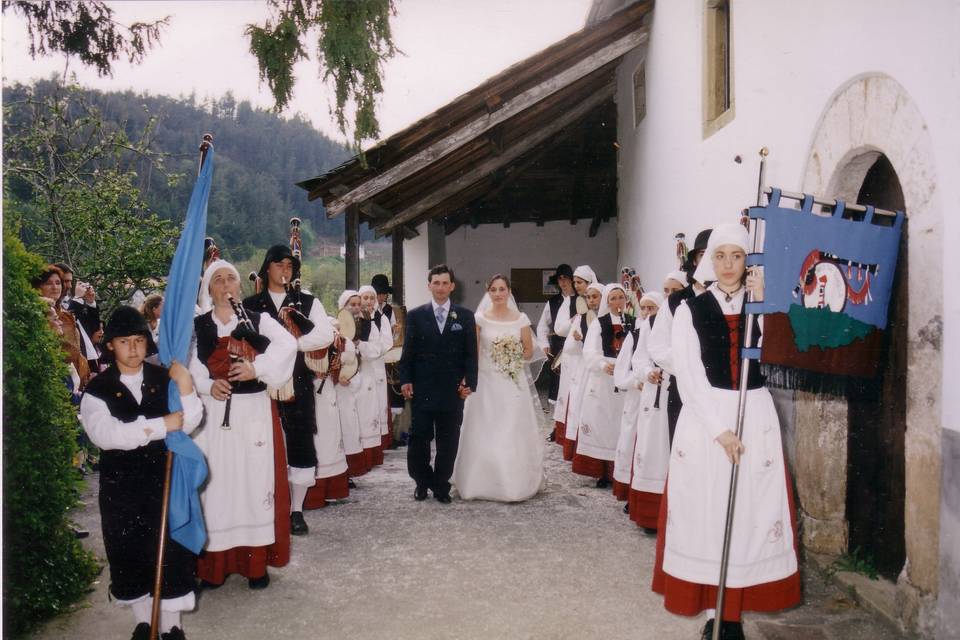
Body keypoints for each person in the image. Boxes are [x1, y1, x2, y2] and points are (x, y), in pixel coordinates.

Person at [653, 223, 800, 640]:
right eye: (720, 256)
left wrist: (763, 302)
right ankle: (713, 612)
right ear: (708, 261)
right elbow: (690, 376)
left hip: (753, 412)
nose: (729, 264)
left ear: (747, 261)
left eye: (737, 256)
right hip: (706, 418)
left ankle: (733, 616)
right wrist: (720, 430)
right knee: (710, 510)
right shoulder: (690, 308)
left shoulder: (762, 304)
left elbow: (780, 352)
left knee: (748, 512)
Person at [80, 306, 203, 640]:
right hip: (121, 489)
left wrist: (186, 385)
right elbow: (106, 435)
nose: (133, 348)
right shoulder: (97, 390)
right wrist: (159, 425)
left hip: (162, 483)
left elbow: (189, 420)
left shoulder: (163, 380)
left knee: (170, 551)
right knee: (130, 552)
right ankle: (143, 622)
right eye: (124, 341)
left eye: (138, 340)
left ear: (148, 344)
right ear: (110, 346)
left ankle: (171, 626)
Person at [188, 259, 297, 590]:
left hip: (252, 413)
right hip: (212, 413)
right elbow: (188, 363)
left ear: (240, 286)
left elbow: (288, 345)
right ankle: (213, 568)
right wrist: (207, 385)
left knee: (253, 482)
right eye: (217, 280)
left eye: (230, 279)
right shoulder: (198, 325)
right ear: (209, 289)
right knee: (216, 486)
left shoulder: (258, 319)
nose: (225, 285)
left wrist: (257, 368)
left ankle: (255, 566)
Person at [243, 244, 335, 535]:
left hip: (297, 383)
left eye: (290, 266)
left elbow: (325, 335)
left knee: (300, 443)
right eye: (279, 264)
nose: (285, 270)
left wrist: (291, 343)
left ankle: (296, 510)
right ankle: (263, 506)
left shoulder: (307, 302)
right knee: (262, 444)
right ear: (266, 267)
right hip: (260, 385)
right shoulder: (250, 305)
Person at [452, 275, 545, 502]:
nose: (497, 293)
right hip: (485, 382)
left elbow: (529, 352)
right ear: (488, 292)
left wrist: (511, 355)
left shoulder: (521, 319)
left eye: (502, 289)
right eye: (493, 289)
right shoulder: (479, 319)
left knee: (511, 428)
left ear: (509, 291)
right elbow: (473, 352)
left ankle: (514, 483)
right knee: (484, 427)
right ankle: (478, 481)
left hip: (511, 382)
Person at [399, 265, 478, 503]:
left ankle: (441, 484)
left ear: (452, 286)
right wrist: (406, 380)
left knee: (448, 439)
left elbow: (471, 355)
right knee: (419, 438)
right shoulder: (415, 315)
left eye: (445, 283)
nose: (441, 288)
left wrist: (469, 383)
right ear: (429, 285)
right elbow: (408, 353)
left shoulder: (464, 316)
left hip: (452, 390)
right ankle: (422, 482)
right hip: (422, 389)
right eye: (436, 283)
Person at [648, 229, 712, 445]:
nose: (709, 259)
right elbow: (657, 345)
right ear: (694, 259)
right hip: (682, 388)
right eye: (703, 254)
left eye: (715, 253)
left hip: (719, 391)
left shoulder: (730, 297)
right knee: (683, 449)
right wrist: (688, 368)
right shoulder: (675, 301)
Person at [572, 283, 633, 487]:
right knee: (604, 423)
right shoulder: (599, 323)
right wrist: (602, 364)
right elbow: (590, 352)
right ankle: (604, 472)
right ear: (607, 301)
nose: (617, 302)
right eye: (613, 298)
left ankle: (620, 471)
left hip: (624, 379)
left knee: (621, 423)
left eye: (620, 298)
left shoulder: (633, 322)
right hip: (603, 378)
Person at [611, 290, 664, 504]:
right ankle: (629, 492)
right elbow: (621, 372)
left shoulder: (663, 334)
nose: (647, 312)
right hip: (636, 398)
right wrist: (636, 382)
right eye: (644, 308)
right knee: (631, 442)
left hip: (654, 398)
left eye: (652, 308)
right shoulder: (634, 334)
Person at [626, 290, 670, 534]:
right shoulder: (648, 326)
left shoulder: (681, 321)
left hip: (676, 393)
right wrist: (647, 373)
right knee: (652, 447)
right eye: (668, 291)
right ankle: (650, 514)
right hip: (653, 393)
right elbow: (639, 358)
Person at [559, 282, 604, 459]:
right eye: (589, 297)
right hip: (586, 369)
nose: (591, 301)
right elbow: (570, 346)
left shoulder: (611, 317)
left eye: (595, 296)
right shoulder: (581, 317)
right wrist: (580, 340)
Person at [34, 265, 92, 387]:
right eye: (48, 283)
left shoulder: (63, 312)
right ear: (38, 286)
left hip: (77, 378)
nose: (55, 287)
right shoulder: (39, 313)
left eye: (58, 283)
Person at [359, 285, 394, 453]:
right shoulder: (356, 318)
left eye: (371, 298)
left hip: (377, 365)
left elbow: (387, 342)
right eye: (365, 298)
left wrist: (371, 350)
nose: (369, 301)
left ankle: (377, 447)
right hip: (360, 368)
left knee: (378, 404)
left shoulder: (382, 319)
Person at [536, 263, 575, 406]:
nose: (563, 282)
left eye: (566, 278)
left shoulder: (581, 299)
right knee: (558, 385)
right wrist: (544, 344)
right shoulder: (552, 302)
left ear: (572, 280)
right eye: (560, 279)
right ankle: (557, 425)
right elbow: (542, 325)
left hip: (577, 347)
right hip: (558, 348)